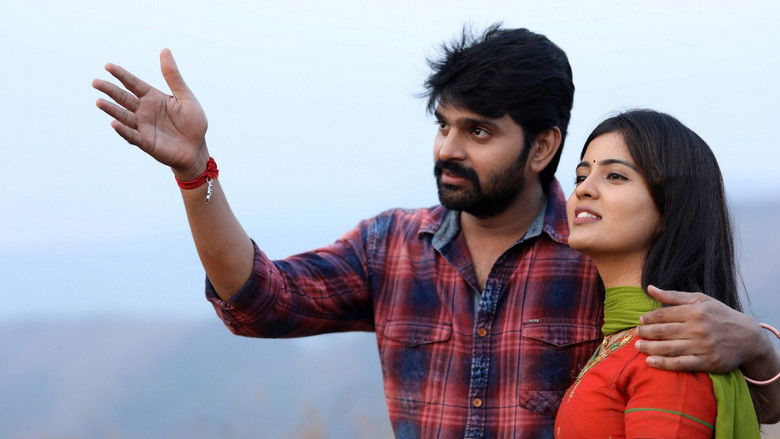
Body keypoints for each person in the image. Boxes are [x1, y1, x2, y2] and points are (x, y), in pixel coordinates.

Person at [92, 25, 780, 437]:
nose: (448, 148)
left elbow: (722, 396)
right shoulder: (391, 246)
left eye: (478, 132)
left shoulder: (600, 252)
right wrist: (196, 173)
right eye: (444, 125)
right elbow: (259, 300)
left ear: (541, 147)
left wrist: (756, 344)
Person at [554, 109, 769, 438]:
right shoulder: (622, 343)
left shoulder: (668, 357)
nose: (584, 189)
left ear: (670, 209)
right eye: (581, 176)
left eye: (615, 176)